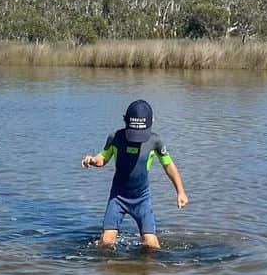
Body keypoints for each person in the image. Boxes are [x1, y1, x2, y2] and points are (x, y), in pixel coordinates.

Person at [81, 98, 189, 249]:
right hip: (117, 197)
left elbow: (169, 166)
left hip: (142, 199)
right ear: (125, 120)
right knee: (106, 242)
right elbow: (102, 159)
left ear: (152, 121)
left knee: (151, 245)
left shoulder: (155, 141)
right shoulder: (116, 138)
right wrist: (92, 160)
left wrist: (180, 192)